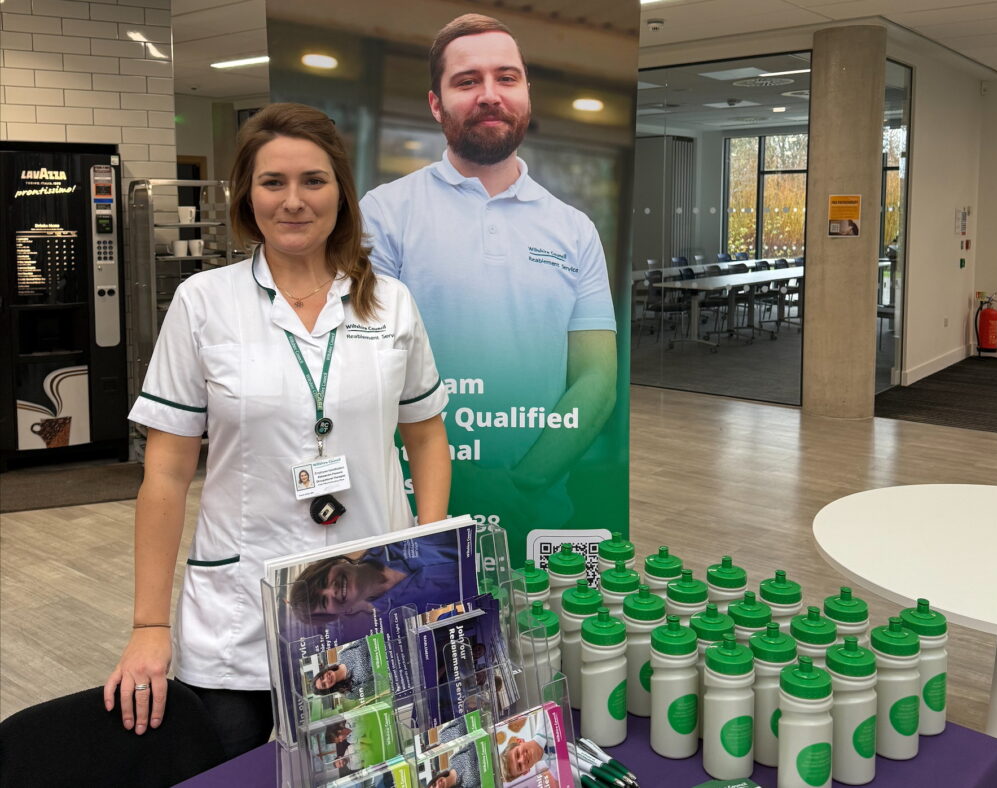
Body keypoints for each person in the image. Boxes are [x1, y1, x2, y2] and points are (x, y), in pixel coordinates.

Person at [103, 102, 451, 759]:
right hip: (241, 603)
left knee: (361, 761)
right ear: (247, 194)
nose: (294, 201)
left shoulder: (390, 303)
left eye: (313, 181)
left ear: (340, 193)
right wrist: (149, 623)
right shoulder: (204, 303)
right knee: (231, 759)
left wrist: (426, 560)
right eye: (273, 182)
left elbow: (427, 435)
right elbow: (168, 473)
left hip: (368, 592)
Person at [360, 14, 617, 543]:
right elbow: (363, 376)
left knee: (555, 629)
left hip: (543, 519)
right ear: (436, 104)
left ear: (527, 93)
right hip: (414, 518)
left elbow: (597, 381)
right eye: (466, 81)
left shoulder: (575, 229)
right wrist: (468, 486)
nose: (489, 94)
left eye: (506, 77)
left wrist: (520, 486)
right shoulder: (384, 215)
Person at [287, 529, 464, 626]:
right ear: (336, 615)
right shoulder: (398, 618)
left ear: (332, 563)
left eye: (323, 581)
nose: (331, 590)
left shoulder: (385, 531)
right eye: (324, 601)